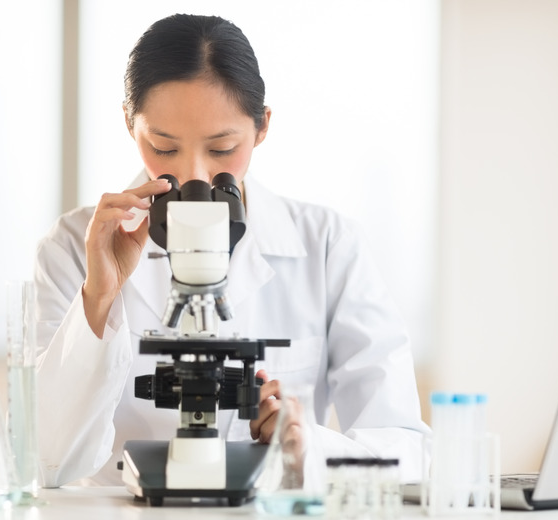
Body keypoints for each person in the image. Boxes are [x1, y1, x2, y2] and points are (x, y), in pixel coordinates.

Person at [34, 13, 428, 488]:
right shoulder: (71, 247)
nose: (194, 177)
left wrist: (311, 449)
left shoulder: (327, 246)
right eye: (163, 147)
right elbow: (45, 460)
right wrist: (97, 300)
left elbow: (406, 449)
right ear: (128, 123)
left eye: (221, 150)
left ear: (261, 127)